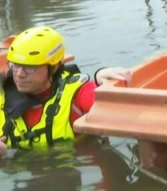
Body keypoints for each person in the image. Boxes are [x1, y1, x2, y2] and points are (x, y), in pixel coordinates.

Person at [0, 26, 131, 156]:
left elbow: (124, 113)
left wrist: (101, 84)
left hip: (72, 167)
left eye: (30, 67)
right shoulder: (4, 96)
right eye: (15, 65)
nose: (19, 74)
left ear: (55, 67)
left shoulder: (78, 93)